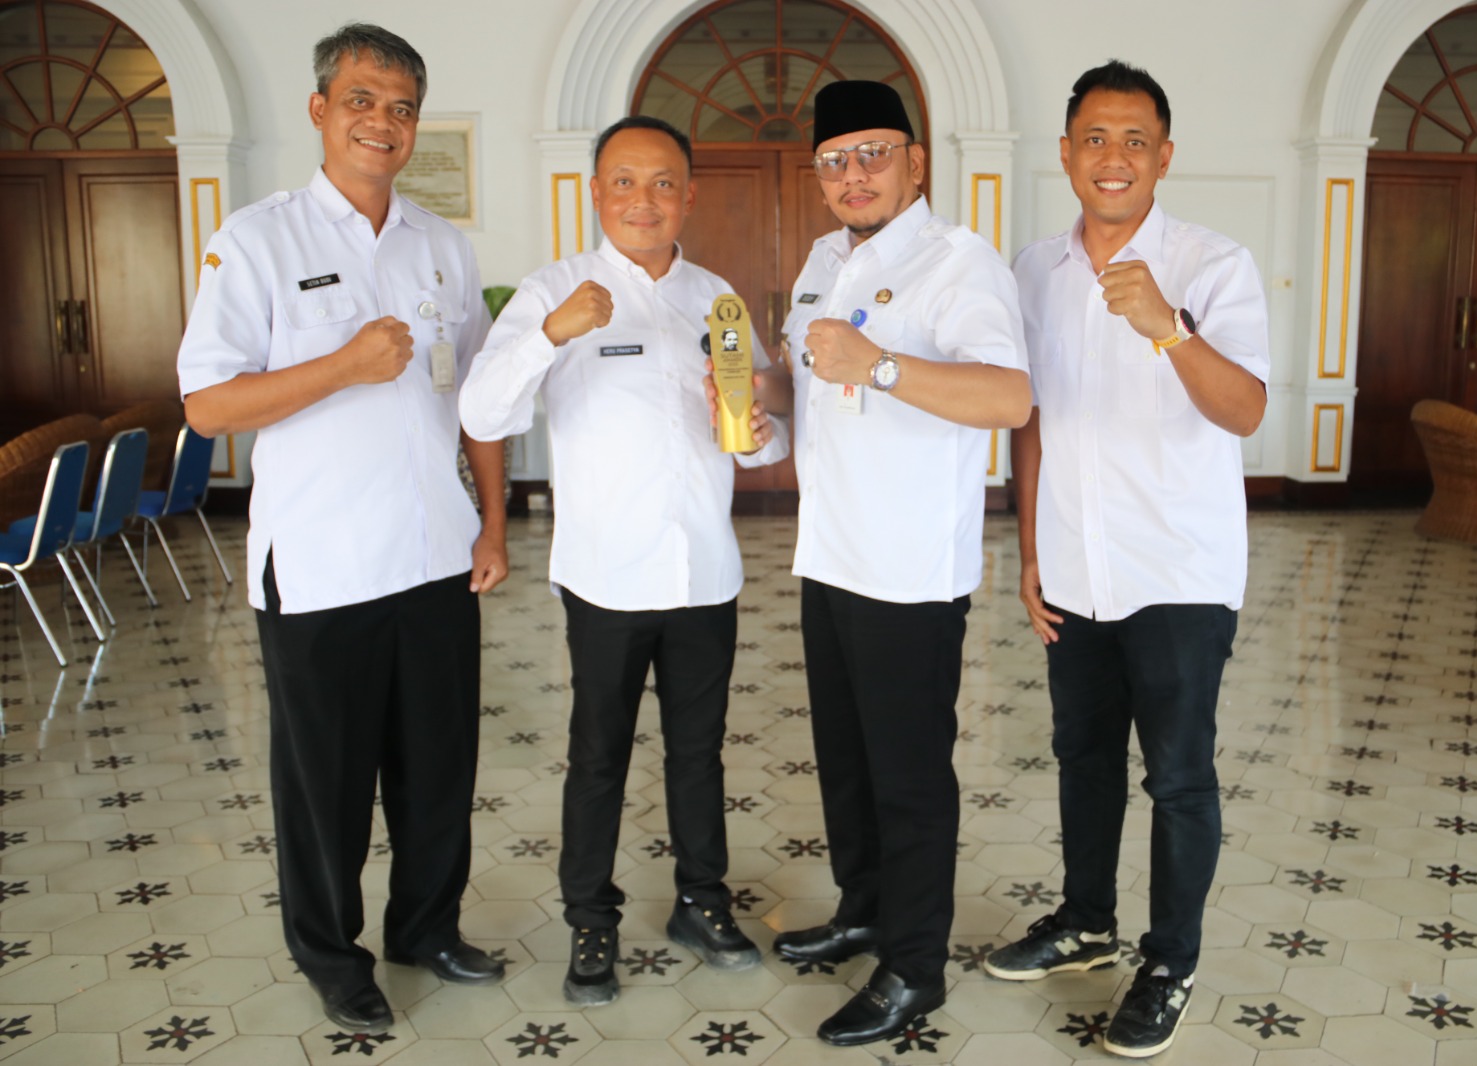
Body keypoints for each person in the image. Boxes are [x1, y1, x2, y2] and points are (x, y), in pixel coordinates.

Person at [176, 23, 508, 1034]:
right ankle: (331, 954)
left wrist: (494, 522)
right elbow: (208, 406)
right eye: (362, 100)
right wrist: (342, 366)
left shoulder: (442, 246)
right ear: (321, 109)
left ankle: (427, 928)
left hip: (435, 556)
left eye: (402, 107)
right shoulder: (256, 240)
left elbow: (478, 401)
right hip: (321, 566)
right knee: (324, 783)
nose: (382, 122)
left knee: (439, 769)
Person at [458, 116, 788, 1007]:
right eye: (626, 183)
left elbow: (761, 434)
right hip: (606, 576)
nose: (645, 201)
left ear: (689, 194)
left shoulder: (716, 298)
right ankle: (590, 919)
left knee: (699, 752)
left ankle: (702, 902)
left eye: (664, 183)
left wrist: (757, 433)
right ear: (597, 193)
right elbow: (482, 411)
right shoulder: (555, 290)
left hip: (705, 571)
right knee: (598, 755)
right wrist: (551, 333)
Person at [985, 60, 1270, 1060]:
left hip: (1178, 571)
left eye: (1135, 140)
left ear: (1164, 156)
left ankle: (1170, 959)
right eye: (1096, 139)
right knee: (1083, 757)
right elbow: (1029, 418)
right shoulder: (1031, 271)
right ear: (1067, 154)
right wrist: (1029, 548)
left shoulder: (1213, 264)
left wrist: (1167, 329)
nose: (1114, 157)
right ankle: (1085, 921)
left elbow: (1245, 409)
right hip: (1073, 565)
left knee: (1179, 777)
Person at [753, 80, 1031, 1047]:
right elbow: (807, 387)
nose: (854, 174)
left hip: (908, 568)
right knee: (846, 762)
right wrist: (756, 392)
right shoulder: (823, 261)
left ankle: (915, 966)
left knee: (909, 778)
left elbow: (1008, 398)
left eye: (873, 153)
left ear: (915, 162)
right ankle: (865, 909)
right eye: (835, 161)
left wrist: (877, 363)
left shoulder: (959, 261)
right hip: (830, 553)